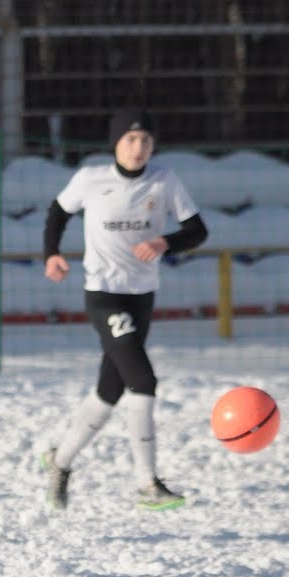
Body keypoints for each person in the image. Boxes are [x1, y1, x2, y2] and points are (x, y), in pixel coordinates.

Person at [39, 108, 208, 511]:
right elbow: (57, 212)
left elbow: (197, 231)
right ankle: (147, 483)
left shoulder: (164, 180)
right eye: (130, 140)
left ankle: (59, 461)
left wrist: (165, 242)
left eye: (145, 140)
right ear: (116, 143)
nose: (138, 147)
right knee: (143, 380)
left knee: (108, 391)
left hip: (141, 296)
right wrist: (51, 255)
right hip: (103, 295)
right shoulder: (91, 179)